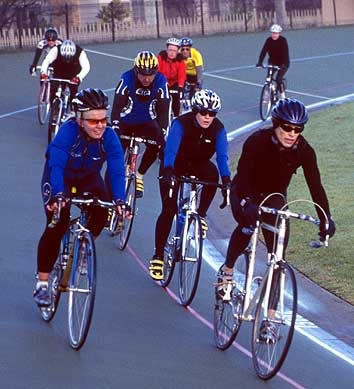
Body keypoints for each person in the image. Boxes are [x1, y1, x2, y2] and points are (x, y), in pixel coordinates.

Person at [217, 98, 336, 299]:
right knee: (248, 225)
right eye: (287, 127)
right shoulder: (257, 141)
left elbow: (315, 187)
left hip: (275, 196)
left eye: (298, 129)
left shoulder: (304, 151)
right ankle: (227, 271)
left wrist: (326, 218)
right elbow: (244, 174)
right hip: (246, 190)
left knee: (278, 256)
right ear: (276, 124)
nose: (292, 134)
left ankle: (270, 322)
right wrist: (247, 202)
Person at [33, 88, 127, 307]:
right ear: (79, 119)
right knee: (57, 224)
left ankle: (85, 245)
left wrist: (120, 200)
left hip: (88, 179)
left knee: (102, 213)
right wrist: (58, 195)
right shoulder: (67, 133)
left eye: (103, 119)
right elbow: (55, 165)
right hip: (60, 179)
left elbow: (116, 170)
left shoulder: (109, 137)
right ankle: (42, 285)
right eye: (94, 121)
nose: (100, 125)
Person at [149, 89, 231, 281]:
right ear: (195, 110)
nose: (207, 117)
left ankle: (200, 215)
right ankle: (158, 256)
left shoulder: (218, 129)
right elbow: (170, 151)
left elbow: (222, 157)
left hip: (199, 164)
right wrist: (168, 172)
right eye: (203, 112)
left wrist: (227, 180)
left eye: (212, 114)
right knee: (169, 210)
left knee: (213, 174)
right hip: (175, 165)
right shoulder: (181, 124)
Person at [111, 50, 170, 198]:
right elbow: (117, 107)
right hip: (126, 122)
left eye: (151, 75)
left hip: (147, 123)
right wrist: (116, 126)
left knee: (157, 144)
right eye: (143, 74)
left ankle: (139, 175)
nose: (147, 79)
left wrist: (162, 134)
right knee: (115, 154)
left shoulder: (162, 82)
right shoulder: (126, 79)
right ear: (135, 71)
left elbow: (164, 112)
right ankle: (111, 188)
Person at [40, 39, 90, 107]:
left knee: (73, 90)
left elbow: (86, 67)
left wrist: (79, 77)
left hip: (74, 73)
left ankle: (72, 108)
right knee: (53, 89)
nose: (67, 60)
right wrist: (43, 72)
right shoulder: (56, 50)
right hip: (59, 71)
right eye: (65, 58)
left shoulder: (80, 52)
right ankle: (54, 108)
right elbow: (46, 61)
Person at [256, 24, 289, 100]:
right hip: (273, 62)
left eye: (276, 33)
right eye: (273, 33)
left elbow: (285, 53)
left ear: (279, 33)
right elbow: (263, 52)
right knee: (268, 78)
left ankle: (282, 95)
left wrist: (283, 65)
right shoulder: (268, 40)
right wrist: (260, 62)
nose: (274, 35)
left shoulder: (283, 40)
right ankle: (267, 93)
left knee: (278, 79)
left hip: (283, 63)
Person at [157, 37, 186, 118]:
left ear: (178, 51)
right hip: (162, 81)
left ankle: (176, 117)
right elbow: (157, 72)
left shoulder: (180, 60)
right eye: (170, 50)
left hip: (174, 83)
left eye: (174, 51)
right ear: (166, 50)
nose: (172, 53)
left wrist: (180, 87)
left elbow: (181, 75)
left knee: (176, 100)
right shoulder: (160, 57)